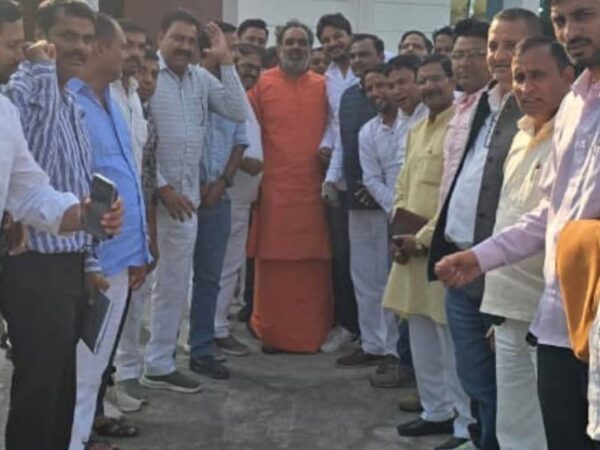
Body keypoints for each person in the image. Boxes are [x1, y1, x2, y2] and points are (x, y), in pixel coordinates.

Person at [434, 0, 600, 448]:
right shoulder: (574, 107)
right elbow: (552, 213)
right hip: (556, 318)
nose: (570, 31)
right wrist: (481, 257)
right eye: (561, 20)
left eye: (584, 15)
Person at [0, 2, 121, 449]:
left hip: (67, 263)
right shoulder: (24, 93)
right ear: (43, 38)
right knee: (39, 386)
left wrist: (90, 255)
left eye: (87, 38)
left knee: (61, 384)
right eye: (68, 36)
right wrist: (40, 68)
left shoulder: (70, 106)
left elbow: (46, 190)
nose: (79, 47)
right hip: (33, 266)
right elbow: (39, 156)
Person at [427, 8, 543, 450]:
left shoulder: (539, 110)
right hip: (462, 263)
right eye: (494, 45)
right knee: (475, 375)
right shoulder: (480, 103)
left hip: (502, 270)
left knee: (506, 388)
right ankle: (479, 438)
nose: (499, 55)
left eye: (512, 46)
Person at [140, 8, 246, 393]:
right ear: (160, 38)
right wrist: (162, 187)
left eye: (191, 40)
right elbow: (138, 139)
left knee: (172, 286)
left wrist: (226, 60)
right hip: (151, 200)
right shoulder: (148, 76)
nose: (185, 46)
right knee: (138, 287)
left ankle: (159, 363)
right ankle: (126, 368)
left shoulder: (200, 79)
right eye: (178, 38)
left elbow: (237, 110)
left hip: (187, 204)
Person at [483, 36, 572, 450]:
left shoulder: (576, 135)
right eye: (519, 77)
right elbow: (508, 217)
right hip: (508, 306)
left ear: (567, 77)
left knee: (554, 426)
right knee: (514, 425)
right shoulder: (519, 133)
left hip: (552, 312)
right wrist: (496, 307)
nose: (525, 87)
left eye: (538, 75)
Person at [67, 14, 149, 450]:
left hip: (121, 257)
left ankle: (79, 438)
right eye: (124, 46)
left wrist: (140, 251)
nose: (131, 55)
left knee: (95, 367)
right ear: (98, 48)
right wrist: (90, 261)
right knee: (80, 370)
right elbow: (73, 186)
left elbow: (127, 177)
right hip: (92, 261)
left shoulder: (111, 99)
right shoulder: (72, 102)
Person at [383, 54, 472, 450]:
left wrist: (423, 237)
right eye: (423, 80)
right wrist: (399, 230)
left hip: (441, 248)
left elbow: (455, 194)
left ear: (451, 81)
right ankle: (435, 410)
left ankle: (464, 424)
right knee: (419, 330)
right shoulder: (417, 128)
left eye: (436, 78)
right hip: (409, 245)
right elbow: (403, 184)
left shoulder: (462, 126)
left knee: (449, 338)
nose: (429, 86)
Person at [248, 20, 332, 353]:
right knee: (273, 267)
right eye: (290, 42)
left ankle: (311, 335)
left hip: (315, 192)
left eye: (302, 43)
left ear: (311, 49)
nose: (296, 48)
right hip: (274, 193)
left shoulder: (325, 87)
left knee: (313, 267)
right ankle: (272, 334)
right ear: (279, 47)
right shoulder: (261, 85)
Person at [331, 34, 397, 368]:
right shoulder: (347, 97)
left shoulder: (396, 97)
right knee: (363, 275)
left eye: (364, 54)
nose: (357, 60)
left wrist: (380, 193)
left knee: (391, 277)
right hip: (355, 199)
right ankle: (372, 343)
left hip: (391, 204)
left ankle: (394, 349)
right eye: (353, 55)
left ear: (381, 56)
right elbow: (341, 144)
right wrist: (332, 179)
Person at [188, 21, 249, 380]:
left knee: (210, 276)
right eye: (227, 47)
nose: (233, 54)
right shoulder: (186, 82)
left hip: (218, 194)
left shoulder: (232, 88)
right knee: (172, 278)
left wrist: (222, 182)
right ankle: (163, 352)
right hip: (182, 195)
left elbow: (241, 139)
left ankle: (201, 347)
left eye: (235, 48)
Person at [114, 48, 160, 404]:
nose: (147, 79)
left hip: (140, 213)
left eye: (153, 74)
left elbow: (147, 174)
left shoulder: (143, 109)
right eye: (142, 71)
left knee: (135, 296)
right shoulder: (110, 99)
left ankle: (122, 375)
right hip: (113, 217)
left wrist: (149, 231)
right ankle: (113, 382)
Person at [214, 42, 264, 358]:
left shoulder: (244, 99)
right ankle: (215, 329)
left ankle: (216, 326)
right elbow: (219, 145)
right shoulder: (223, 97)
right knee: (220, 268)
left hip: (242, 200)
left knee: (229, 267)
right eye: (245, 66)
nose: (252, 73)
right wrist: (247, 162)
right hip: (227, 196)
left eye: (257, 69)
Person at [316, 12, 360, 352]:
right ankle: (347, 324)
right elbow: (332, 124)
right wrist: (325, 147)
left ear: (350, 35)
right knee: (343, 255)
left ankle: (380, 334)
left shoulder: (372, 67)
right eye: (327, 39)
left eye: (338, 36)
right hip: (340, 176)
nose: (334, 43)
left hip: (375, 172)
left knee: (377, 260)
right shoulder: (324, 80)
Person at [439, 18, 491, 203]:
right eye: (458, 55)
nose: (464, 63)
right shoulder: (458, 107)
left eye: (475, 55)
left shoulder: (497, 108)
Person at [111, 19, 147, 171]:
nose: (135, 53)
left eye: (141, 47)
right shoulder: (103, 93)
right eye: (127, 45)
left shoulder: (134, 97)